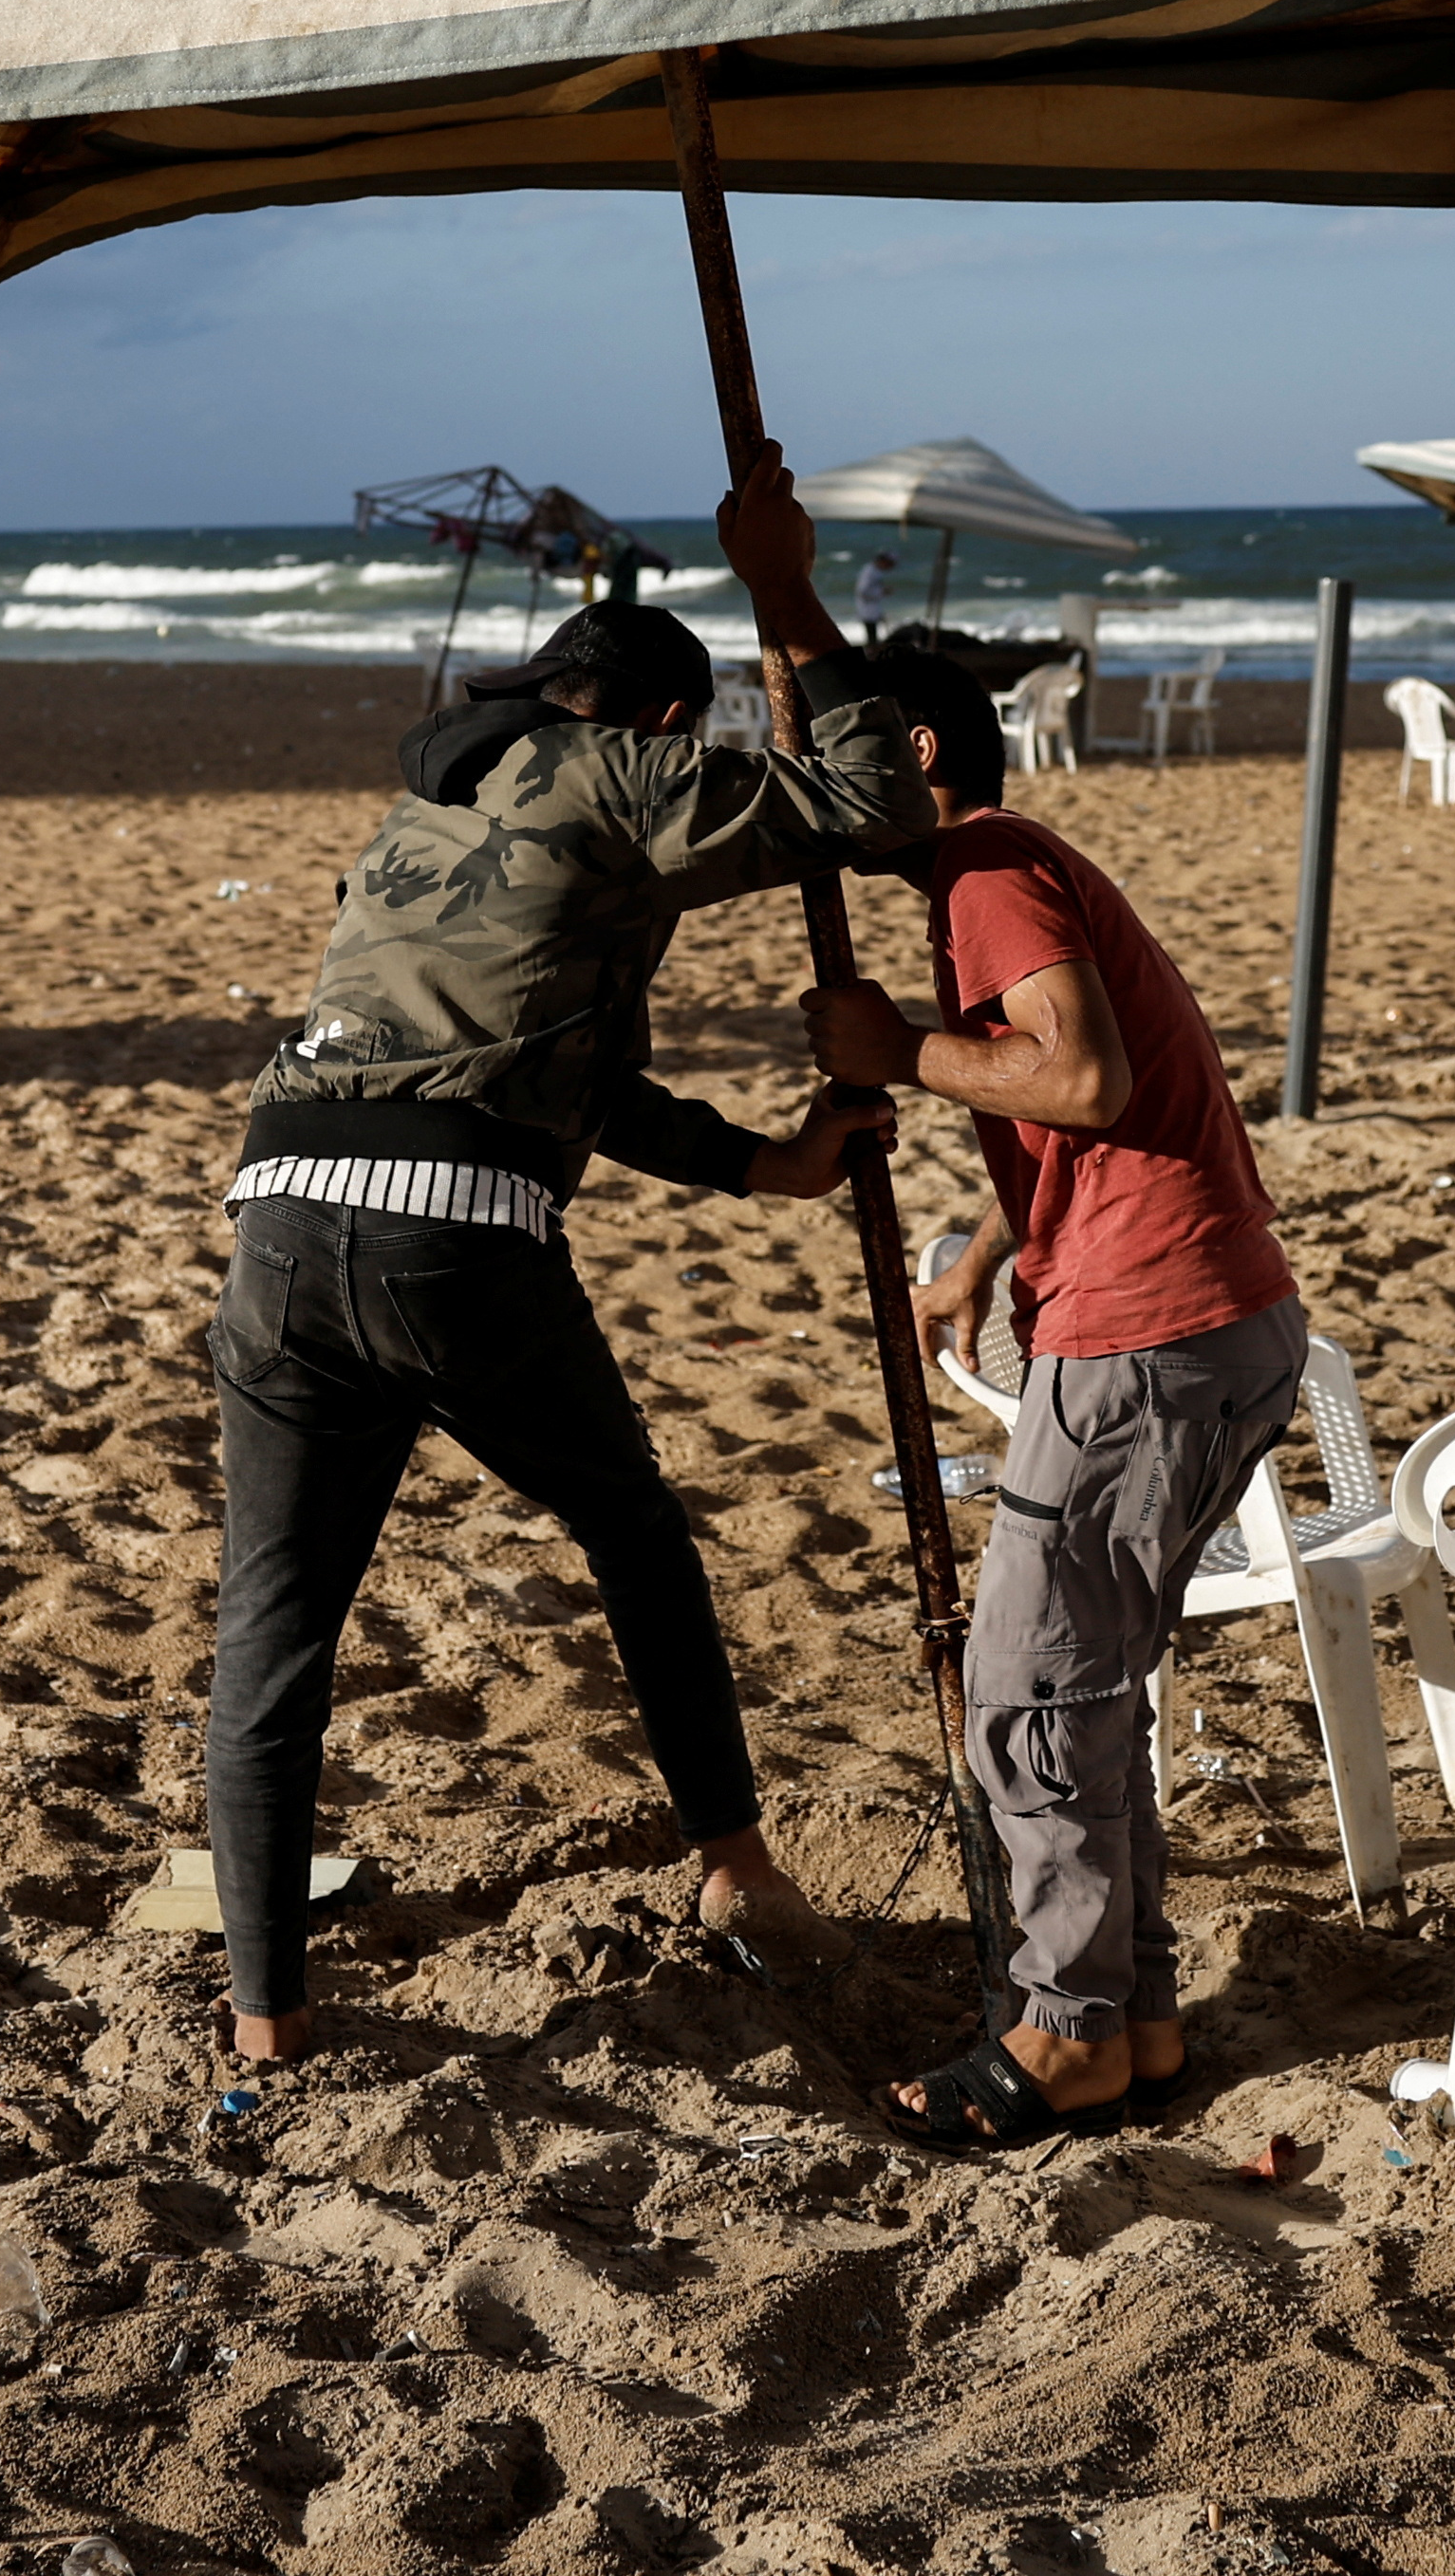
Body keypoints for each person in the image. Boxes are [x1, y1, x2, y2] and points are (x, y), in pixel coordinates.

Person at [202, 447, 929, 2064]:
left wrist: (758, 1166)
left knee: (275, 1634)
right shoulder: (620, 771)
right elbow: (875, 808)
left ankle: (265, 2024)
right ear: (662, 722)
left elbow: (561, 1073)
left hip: (273, 1225)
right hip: (445, 1240)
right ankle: (735, 1868)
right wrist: (791, 594)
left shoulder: (418, 812)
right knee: (635, 1532)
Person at [803, 653, 1309, 2150]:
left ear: (912, 750)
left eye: (834, 756)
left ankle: (1066, 2031)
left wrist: (894, 1050)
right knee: (1086, 1689)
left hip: (1150, 1338)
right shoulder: (1006, 866)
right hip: (1204, 1316)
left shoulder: (984, 873)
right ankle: (1133, 2024)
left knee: (1025, 1691)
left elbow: (1080, 1077)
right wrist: (980, 1258)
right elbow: (1097, 1117)